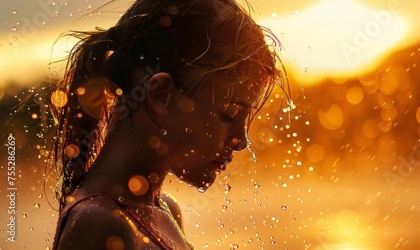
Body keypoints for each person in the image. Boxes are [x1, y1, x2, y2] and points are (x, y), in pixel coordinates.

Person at [50, 0, 286, 249]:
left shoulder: (165, 210)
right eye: (229, 112)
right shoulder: (98, 223)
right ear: (162, 94)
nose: (241, 141)